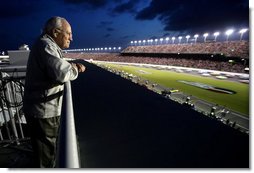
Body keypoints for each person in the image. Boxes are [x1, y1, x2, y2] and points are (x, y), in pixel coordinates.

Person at [23, 16, 85, 168]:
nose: (72, 37)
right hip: (43, 113)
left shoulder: (46, 44)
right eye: (69, 33)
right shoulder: (45, 45)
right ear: (56, 32)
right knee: (45, 158)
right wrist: (76, 68)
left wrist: (69, 65)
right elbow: (62, 73)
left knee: (48, 153)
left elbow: (57, 66)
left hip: (42, 110)